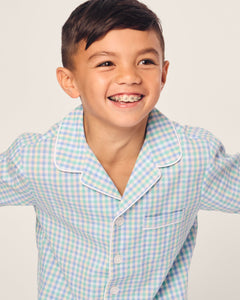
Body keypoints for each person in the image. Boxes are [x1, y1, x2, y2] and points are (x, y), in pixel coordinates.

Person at [0, 0, 239, 299]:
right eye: (106, 63)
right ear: (69, 81)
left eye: (145, 62)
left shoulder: (195, 159)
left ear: (163, 74)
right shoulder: (36, 160)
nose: (129, 76)